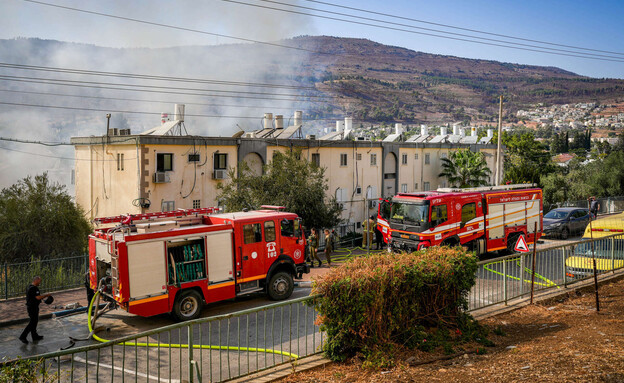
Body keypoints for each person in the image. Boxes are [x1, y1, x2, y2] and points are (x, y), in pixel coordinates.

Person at [19, 276, 52, 344]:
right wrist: (47, 295)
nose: (40, 282)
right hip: (32, 307)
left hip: (32, 306)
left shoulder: (29, 286)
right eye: (39, 281)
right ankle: (23, 336)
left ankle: (34, 336)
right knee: (32, 322)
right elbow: (37, 297)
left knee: (35, 321)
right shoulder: (34, 288)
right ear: (36, 280)